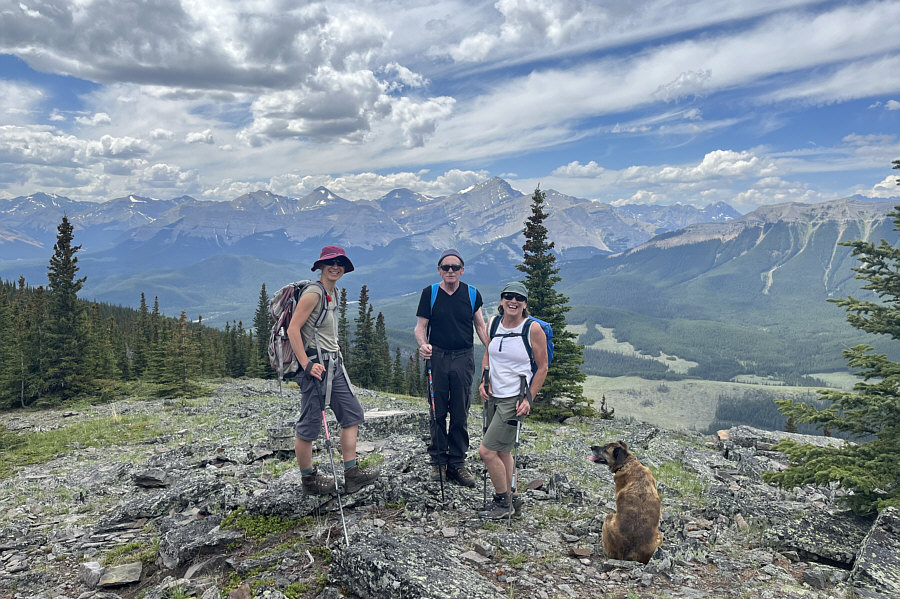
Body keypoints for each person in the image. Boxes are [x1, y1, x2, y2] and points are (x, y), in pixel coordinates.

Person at [287, 245, 379, 495]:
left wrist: (333, 345)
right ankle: (309, 481)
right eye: (331, 262)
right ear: (321, 266)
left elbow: (321, 328)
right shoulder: (314, 293)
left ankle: (352, 473)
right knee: (309, 425)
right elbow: (293, 330)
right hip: (316, 366)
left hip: (333, 363)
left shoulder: (333, 292)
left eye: (340, 262)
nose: (336, 266)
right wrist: (306, 364)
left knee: (352, 413)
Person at [415, 249, 490, 487]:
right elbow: (420, 327)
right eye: (446, 267)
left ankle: (457, 463)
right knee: (437, 410)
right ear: (439, 270)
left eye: (455, 267)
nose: (450, 271)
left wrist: (493, 350)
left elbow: (480, 325)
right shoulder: (430, 293)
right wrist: (423, 344)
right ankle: (438, 461)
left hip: (463, 356)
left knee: (460, 411)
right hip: (436, 356)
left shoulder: (471, 294)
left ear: (462, 270)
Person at [477, 281, 548, 518]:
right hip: (494, 396)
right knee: (503, 452)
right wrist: (484, 379)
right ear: (501, 300)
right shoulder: (494, 323)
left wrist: (529, 398)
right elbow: (489, 352)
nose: (513, 301)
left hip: (514, 400)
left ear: (525, 303)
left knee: (486, 451)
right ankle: (513, 496)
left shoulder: (532, 329)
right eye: (508, 296)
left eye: (519, 298)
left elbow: (542, 367)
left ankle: (502, 502)